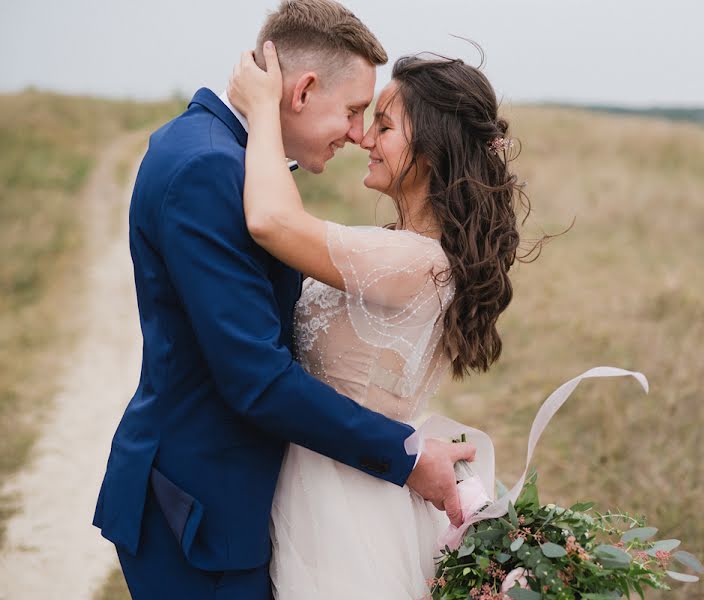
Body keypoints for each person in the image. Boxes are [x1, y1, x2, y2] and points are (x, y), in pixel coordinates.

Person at [92, 1, 477, 598]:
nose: (357, 134)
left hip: (253, 498)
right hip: (201, 504)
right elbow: (256, 378)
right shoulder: (210, 169)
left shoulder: (220, 154)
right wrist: (404, 457)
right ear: (301, 91)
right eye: (353, 111)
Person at [225, 29, 535, 597]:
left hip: (341, 500)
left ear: (433, 148)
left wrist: (263, 111)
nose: (365, 137)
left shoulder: (413, 261)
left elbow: (270, 221)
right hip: (339, 472)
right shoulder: (405, 249)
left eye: (386, 127)